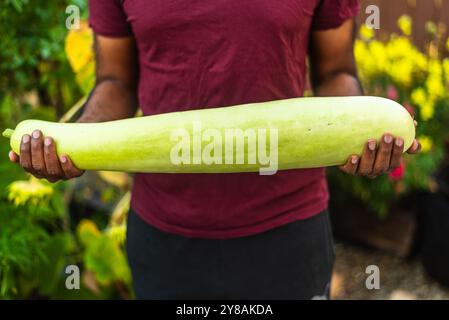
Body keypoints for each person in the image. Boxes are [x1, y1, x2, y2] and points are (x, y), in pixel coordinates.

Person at [9, 0, 420, 299]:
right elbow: (115, 81)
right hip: (166, 233)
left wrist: (364, 137)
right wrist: (74, 143)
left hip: (288, 229)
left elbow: (335, 73)